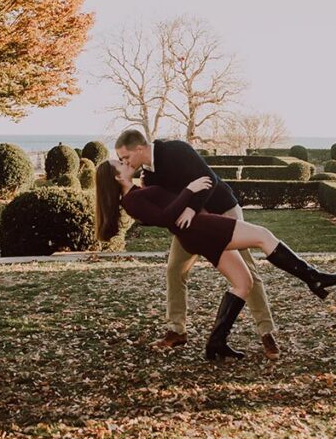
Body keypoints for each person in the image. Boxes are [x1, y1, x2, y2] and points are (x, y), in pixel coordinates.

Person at [94, 157, 336, 361]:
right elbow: (164, 217)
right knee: (263, 236)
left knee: (243, 283)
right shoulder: (131, 200)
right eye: (121, 164)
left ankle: (216, 343)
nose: (126, 162)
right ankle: (312, 277)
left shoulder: (136, 192)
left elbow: (157, 209)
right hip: (201, 227)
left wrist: (152, 180)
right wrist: (189, 190)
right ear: (117, 177)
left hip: (196, 234)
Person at [113, 130, 281, 358]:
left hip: (223, 212)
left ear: (139, 149)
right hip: (192, 227)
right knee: (175, 270)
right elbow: (166, 207)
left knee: (248, 271)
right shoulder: (149, 177)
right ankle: (176, 331)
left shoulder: (175, 150)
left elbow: (208, 180)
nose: (125, 162)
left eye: (126, 157)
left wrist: (192, 208)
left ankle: (266, 332)